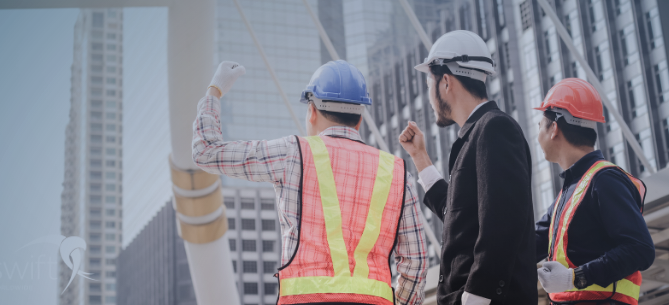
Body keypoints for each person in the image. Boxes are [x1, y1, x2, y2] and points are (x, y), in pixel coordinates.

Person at [192, 60, 428, 305]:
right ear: (359, 119)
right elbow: (416, 261)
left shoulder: (293, 153)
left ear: (312, 111)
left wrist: (214, 91)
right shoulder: (397, 172)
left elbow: (206, 151)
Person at [399, 30, 536, 305]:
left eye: (429, 84)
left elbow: (502, 223)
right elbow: (457, 216)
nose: (429, 96)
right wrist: (420, 157)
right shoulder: (475, 135)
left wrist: (475, 298)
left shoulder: (495, 128)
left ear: (446, 82)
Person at [532, 78, 654, 305]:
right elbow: (530, 244)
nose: (537, 132)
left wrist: (574, 278)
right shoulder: (569, 193)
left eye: (540, 125)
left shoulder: (604, 180)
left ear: (554, 129)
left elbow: (641, 249)